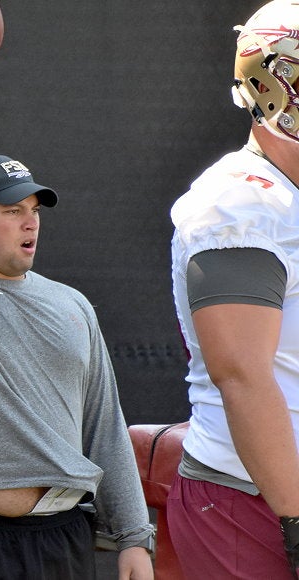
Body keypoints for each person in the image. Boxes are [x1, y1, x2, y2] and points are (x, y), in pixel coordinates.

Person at [0, 154, 156, 579]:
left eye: (34, 211)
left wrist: (134, 537)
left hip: (63, 537)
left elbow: (103, 423)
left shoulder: (73, 304)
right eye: (13, 211)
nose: (31, 223)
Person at [167, 2, 299, 577]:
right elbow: (242, 374)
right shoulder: (242, 201)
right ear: (276, 82)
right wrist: (295, 517)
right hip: (254, 497)